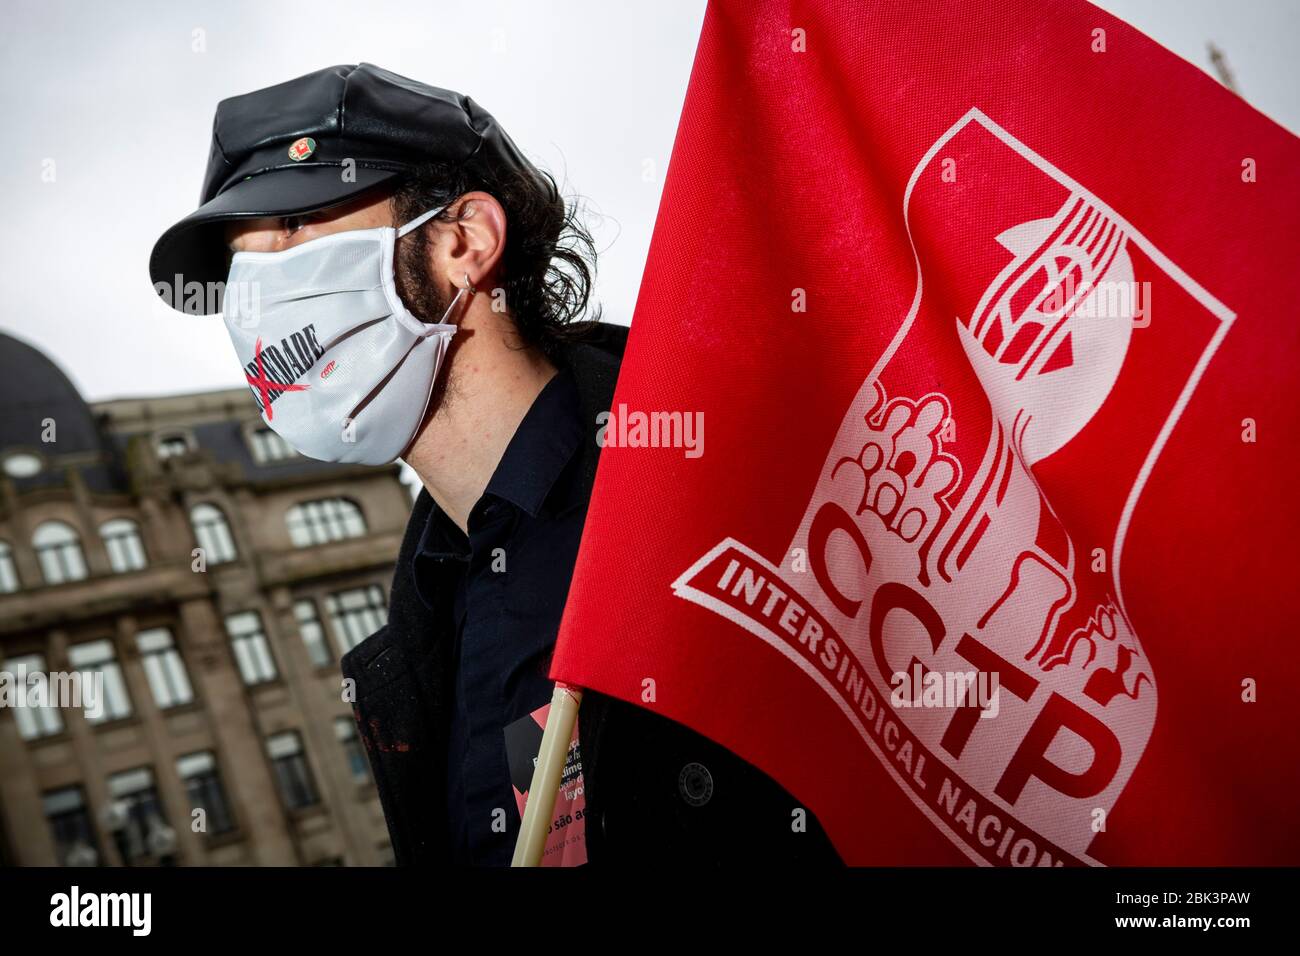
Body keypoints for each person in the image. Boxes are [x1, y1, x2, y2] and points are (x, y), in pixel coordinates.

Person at [150, 62, 842, 866]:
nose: (258, 299)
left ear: (463, 242)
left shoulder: (724, 481)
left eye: (295, 229)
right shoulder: (427, 612)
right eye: (244, 266)